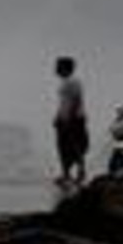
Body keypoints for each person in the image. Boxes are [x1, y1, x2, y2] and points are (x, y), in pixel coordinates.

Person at [53, 56, 88, 187]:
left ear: (65, 68)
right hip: (65, 118)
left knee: (75, 146)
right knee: (63, 147)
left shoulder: (73, 82)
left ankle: (79, 172)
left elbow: (76, 100)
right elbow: (63, 103)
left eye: (58, 66)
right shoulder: (64, 82)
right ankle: (66, 174)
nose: (55, 69)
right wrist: (57, 116)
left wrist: (69, 118)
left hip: (73, 119)